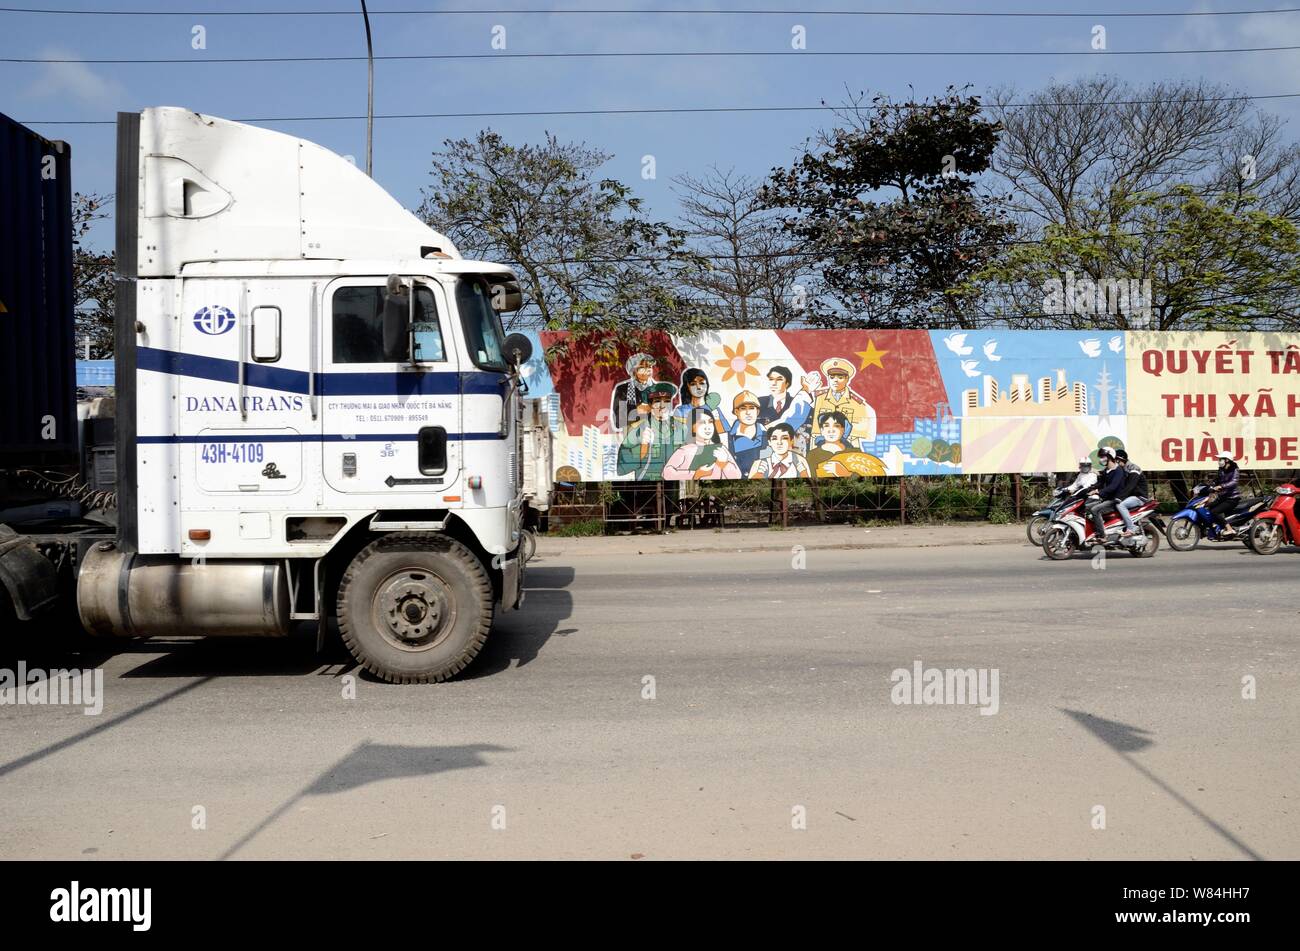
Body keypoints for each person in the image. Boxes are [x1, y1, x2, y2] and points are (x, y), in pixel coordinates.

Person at [616, 382, 682, 481]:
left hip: (674, 480)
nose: (662, 405)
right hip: (647, 479)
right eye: (657, 401)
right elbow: (622, 466)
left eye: (667, 401)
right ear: (650, 404)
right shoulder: (640, 429)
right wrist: (643, 447)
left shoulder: (681, 428)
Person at [810, 357, 876, 445]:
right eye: (832, 377)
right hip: (822, 445)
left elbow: (863, 429)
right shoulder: (819, 398)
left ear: (847, 379)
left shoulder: (856, 402)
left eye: (840, 377)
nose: (835, 380)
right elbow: (815, 430)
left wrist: (844, 431)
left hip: (847, 445)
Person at [662, 407, 741, 480]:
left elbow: (737, 475)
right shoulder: (685, 450)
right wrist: (695, 474)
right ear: (693, 427)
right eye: (702, 422)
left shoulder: (721, 449)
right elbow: (666, 472)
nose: (708, 427)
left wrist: (724, 464)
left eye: (710, 422)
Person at [720, 390, 766, 475]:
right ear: (736, 412)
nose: (748, 413)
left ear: (757, 411)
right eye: (743, 408)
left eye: (752, 408)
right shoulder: (725, 439)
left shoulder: (768, 435)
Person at [756, 365, 815, 431]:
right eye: (771, 379)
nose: (774, 383)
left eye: (779, 379)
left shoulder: (800, 405)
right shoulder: (758, 403)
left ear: (787, 383)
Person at [1085, 447, 1125, 543]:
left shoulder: (1118, 470)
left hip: (1115, 500)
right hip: (1107, 499)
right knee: (1086, 507)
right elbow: (1100, 483)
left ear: (1110, 457)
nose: (1101, 459)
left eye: (1103, 456)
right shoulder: (1106, 471)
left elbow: (1113, 487)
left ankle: (1103, 535)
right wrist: (1089, 489)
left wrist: (1098, 492)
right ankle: (1095, 529)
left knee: (1095, 509)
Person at [610, 352, 657, 432]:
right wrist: (637, 411)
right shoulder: (624, 389)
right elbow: (619, 421)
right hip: (631, 436)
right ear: (634, 371)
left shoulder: (657, 389)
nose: (648, 370)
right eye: (643, 367)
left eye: (649, 367)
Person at [1113, 449, 1149, 537]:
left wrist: (1119, 497)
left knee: (1120, 505)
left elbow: (1130, 486)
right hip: (1131, 496)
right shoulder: (1122, 469)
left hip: (1139, 497)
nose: (1115, 462)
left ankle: (1131, 527)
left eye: (1116, 460)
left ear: (1122, 459)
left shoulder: (1133, 468)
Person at [1205, 451, 1241, 537]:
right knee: (1209, 506)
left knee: (1215, 511)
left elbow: (1234, 482)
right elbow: (1217, 480)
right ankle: (1216, 526)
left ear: (1227, 460)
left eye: (1221, 459)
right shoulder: (1221, 469)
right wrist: (1210, 485)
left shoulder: (1234, 469)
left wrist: (1221, 486)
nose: (1219, 460)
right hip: (1223, 496)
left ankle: (1229, 529)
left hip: (1232, 498)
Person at [806, 411, 851, 476]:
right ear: (822, 430)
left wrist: (846, 473)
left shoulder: (855, 452)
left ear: (843, 430)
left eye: (836, 426)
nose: (831, 430)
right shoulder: (812, 455)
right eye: (826, 426)